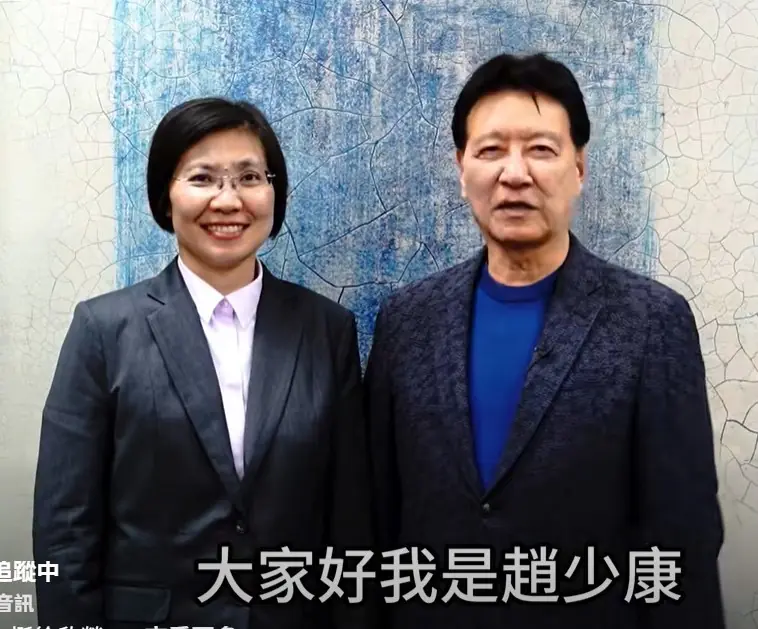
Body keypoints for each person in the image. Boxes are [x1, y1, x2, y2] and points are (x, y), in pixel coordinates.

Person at [364, 53, 725, 628]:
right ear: (461, 168)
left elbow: (683, 539)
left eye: (540, 149)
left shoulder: (651, 321)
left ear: (578, 166)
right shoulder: (406, 321)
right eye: (491, 150)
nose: (515, 174)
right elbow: (377, 519)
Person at [33, 97, 374, 629]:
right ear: (165, 198)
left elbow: (351, 522)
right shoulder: (104, 331)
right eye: (202, 178)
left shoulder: (326, 330)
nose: (228, 200)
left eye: (249, 177)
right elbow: (64, 527)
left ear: (274, 193)